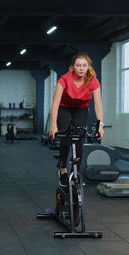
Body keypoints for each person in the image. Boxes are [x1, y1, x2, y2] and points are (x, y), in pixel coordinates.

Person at [49, 52, 104, 188]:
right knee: (66, 137)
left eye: (84, 65)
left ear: (88, 67)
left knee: (79, 137)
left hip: (81, 109)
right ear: (72, 67)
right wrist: (53, 126)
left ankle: (76, 174)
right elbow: (55, 104)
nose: (81, 68)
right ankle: (62, 168)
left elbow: (98, 105)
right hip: (64, 108)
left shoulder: (93, 81)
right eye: (78, 65)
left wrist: (100, 125)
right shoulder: (64, 80)